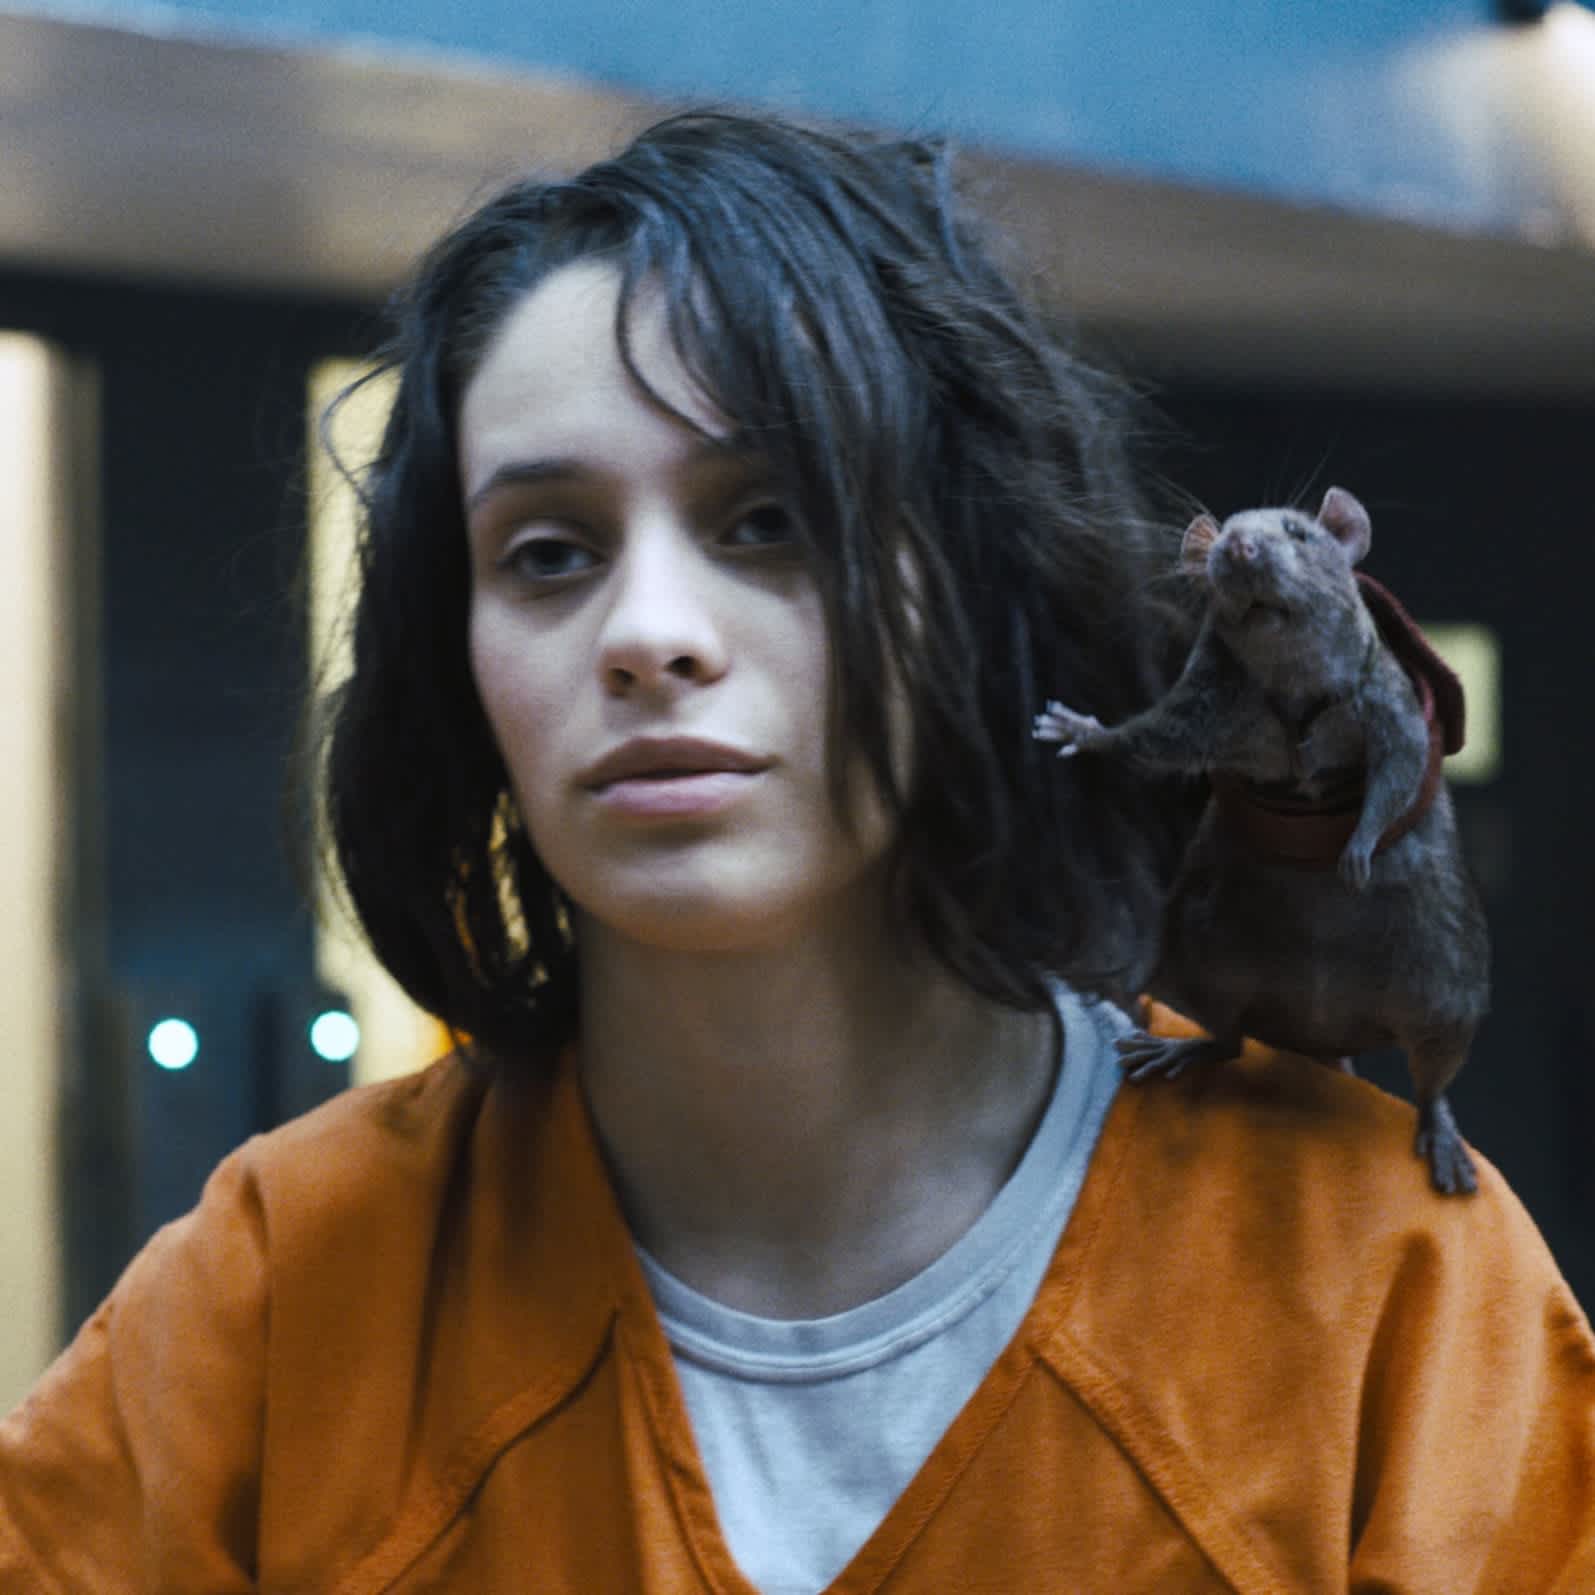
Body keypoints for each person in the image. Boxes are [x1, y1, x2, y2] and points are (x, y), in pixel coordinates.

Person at [3, 109, 1593, 1594]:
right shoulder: (285, 1298)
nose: (649, 633)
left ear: (971, 579)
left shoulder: (1388, 1299)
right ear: (458, 653)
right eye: (548, 553)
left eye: (768, 521)